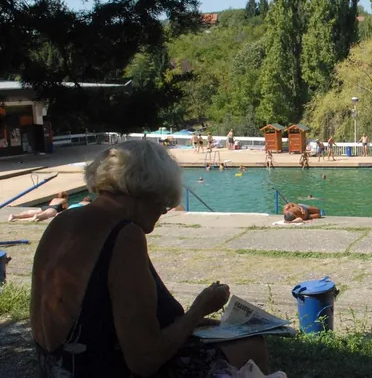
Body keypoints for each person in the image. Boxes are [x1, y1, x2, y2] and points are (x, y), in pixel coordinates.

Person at [29, 141, 270, 377]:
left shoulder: (62, 222)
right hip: (101, 369)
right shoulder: (123, 235)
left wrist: (185, 325)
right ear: (145, 191)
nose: (162, 212)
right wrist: (198, 310)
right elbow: (144, 361)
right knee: (250, 347)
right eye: (164, 203)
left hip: (56, 367)